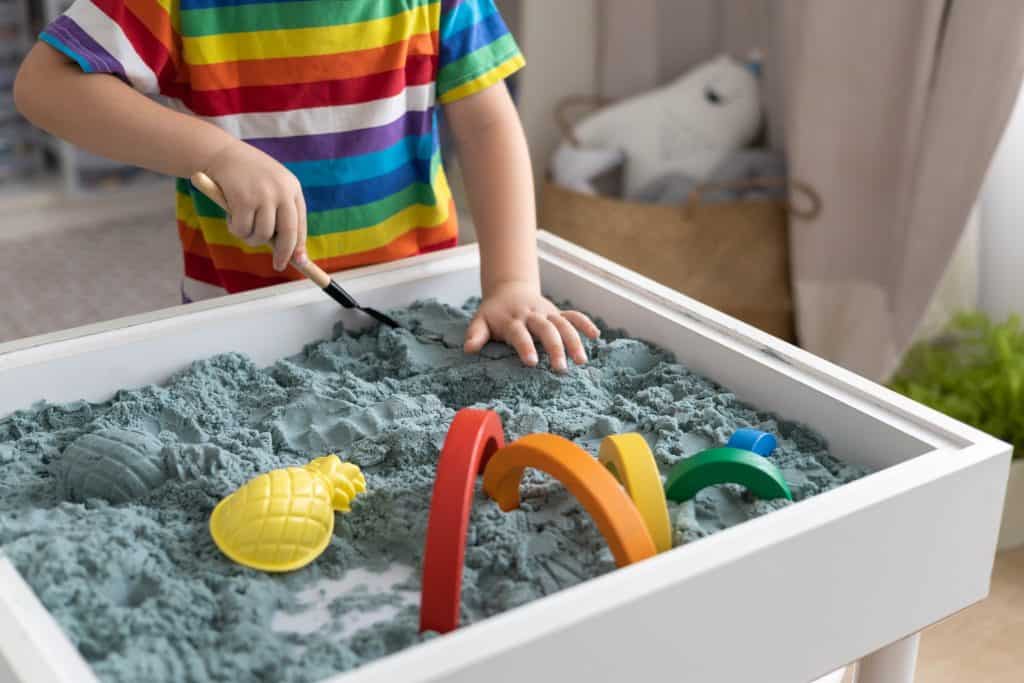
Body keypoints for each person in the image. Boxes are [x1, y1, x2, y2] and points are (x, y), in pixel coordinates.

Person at [14, 0, 598, 372]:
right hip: (242, 318)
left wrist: (513, 281)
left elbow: (489, 125)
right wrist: (215, 150)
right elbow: (45, 84)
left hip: (415, 305)